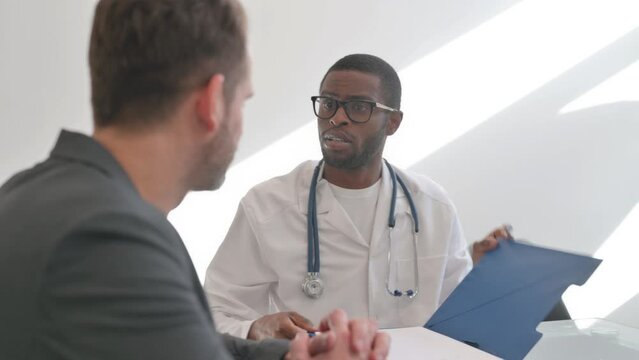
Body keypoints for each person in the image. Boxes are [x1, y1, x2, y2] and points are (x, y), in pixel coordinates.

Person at [0, 2, 389, 360]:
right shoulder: (111, 242)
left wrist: (290, 355)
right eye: (243, 100)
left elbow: (173, 339)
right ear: (211, 102)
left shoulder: (29, 193)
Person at [204, 53, 511, 340]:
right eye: (328, 104)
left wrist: (484, 276)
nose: (337, 118)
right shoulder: (267, 206)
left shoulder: (433, 207)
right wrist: (254, 328)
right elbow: (215, 313)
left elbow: (459, 322)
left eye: (359, 107)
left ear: (393, 122)